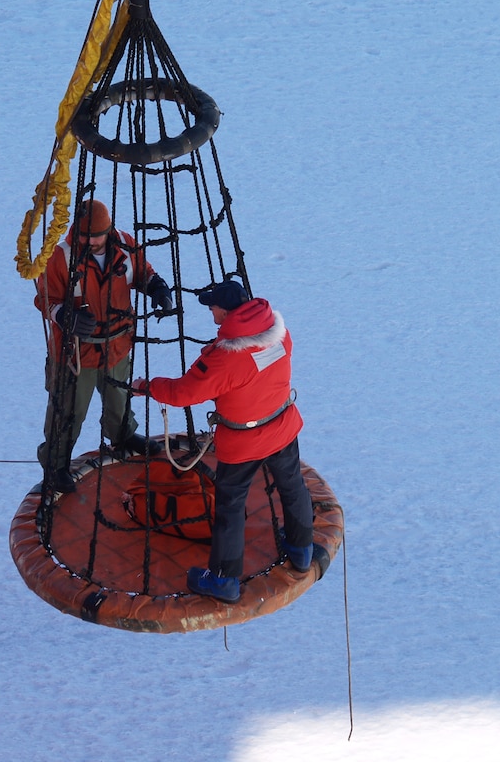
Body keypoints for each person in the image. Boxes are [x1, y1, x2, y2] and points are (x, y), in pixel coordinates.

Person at [130, 280, 314, 602]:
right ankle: (301, 549)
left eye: (212, 306)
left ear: (225, 310)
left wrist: (148, 387)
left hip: (243, 443)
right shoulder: (280, 334)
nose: (210, 311)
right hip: (282, 426)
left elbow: (184, 392)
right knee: (291, 485)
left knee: (230, 508)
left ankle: (224, 580)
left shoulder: (225, 358)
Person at [36, 198, 172, 492]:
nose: (92, 241)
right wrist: (65, 316)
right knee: (68, 410)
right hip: (74, 353)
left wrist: (157, 287)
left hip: (117, 344)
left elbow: (143, 272)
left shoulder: (125, 244)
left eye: (98, 235)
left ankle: (123, 435)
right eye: (86, 236)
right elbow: (45, 299)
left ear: (108, 231)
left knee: (118, 398)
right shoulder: (59, 257)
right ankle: (56, 464)